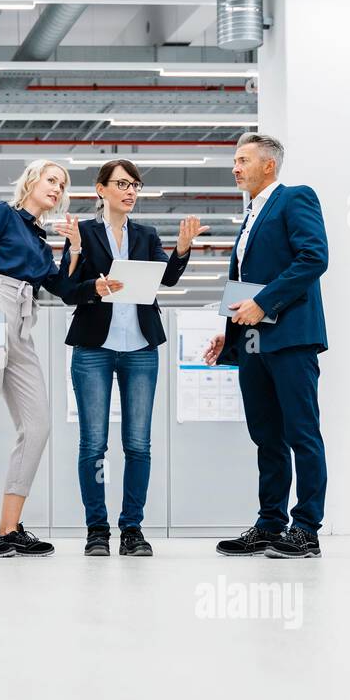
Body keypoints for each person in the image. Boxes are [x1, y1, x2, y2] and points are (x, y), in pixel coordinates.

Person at [60, 159, 206, 557]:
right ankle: (96, 530)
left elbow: (168, 277)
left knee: (138, 445)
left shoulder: (145, 234)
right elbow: (68, 288)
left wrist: (182, 249)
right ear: (101, 189)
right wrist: (92, 280)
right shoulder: (84, 233)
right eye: (122, 184)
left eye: (135, 186)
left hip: (140, 347)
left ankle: (132, 530)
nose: (130, 192)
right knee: (93, 445)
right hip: (94, 348)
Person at [203, 133, 329, 560]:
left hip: (292, 337)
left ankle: (307, 529)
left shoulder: (295, 198)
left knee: (301, 433)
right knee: (266, 437)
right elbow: (245, 282)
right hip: (254, 340)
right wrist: (232, 331)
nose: (235, 168)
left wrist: (262, 303)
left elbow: (314, 258)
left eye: (242, 160)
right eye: (235, 161)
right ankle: (270, 523)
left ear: (268, 165)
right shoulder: (250, 214)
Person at [0, 159, 82, 558]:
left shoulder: (41, 242)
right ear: (31, 181)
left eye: (62, 185)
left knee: (38, 423)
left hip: (25, 315)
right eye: (51, 179)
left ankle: (9, 527)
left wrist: (76, 248)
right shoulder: (2, 215)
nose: (57, 188)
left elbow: (64, 287)